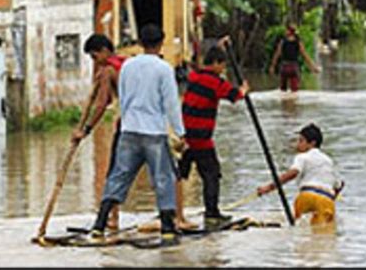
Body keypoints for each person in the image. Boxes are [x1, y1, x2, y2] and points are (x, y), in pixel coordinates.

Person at [89, 23, 186, 246]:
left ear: (141, 43)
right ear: (161, 43)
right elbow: (171, 104)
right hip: (153, 132)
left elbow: (122, 98)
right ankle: (168, 228)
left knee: (118, 176)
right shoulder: (164, 69)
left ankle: (99, 225)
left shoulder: (128, 66)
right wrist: (180, 133)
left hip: (129, 131)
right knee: (163, 179)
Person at [176, 43, 249, 229]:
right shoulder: (214, 82)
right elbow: (234, 95)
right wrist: (244, 90)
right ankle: (212, 214)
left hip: (185, 135)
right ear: (216, 63)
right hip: (201, 137)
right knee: (211, 174)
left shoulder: (195, 77)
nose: (223, 69)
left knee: (179, 174)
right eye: (222, 65)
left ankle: (172, 210)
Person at [71, 34, 127, 231]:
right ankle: (173, 216)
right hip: (148, 124)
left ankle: (110, 219)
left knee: (114, 172)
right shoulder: (125, 64)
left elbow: (102, 104)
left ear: (104, 50)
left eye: (95, 57)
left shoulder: (108, 70)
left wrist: (85, 130)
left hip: (127, 126)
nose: (95, 62)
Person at [256, 123, 344, 225]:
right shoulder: (329, 161)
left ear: (312, 143)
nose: (298, 144)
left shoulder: (302, 157)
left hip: (306, 196)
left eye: (301, 140)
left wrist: (268, 187)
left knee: (299, 229)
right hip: (326, 200)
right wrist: (331, 196)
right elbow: (339, 185)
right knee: (324, 234)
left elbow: (292, 173)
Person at [269, 24, 321, 92]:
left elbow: (277, 54)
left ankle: (284, 102)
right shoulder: (298, 42)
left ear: (289, 31)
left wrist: (272, 66)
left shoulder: (283, 41)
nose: (285, 32)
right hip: (293, 67)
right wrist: (313, 67)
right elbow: (304, 55)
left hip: (284, 67)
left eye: (286, 30)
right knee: (294, 91)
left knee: (282, 90)